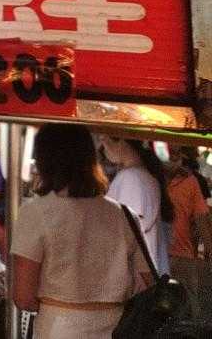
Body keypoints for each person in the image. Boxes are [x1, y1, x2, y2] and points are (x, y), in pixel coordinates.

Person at [12, 125, 152, 338]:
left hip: (59, 327)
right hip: (117, 327)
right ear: (90, 159)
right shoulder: (124, 215)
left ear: (43, 162)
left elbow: (24, 297)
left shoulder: (35, 212)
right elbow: (148, 282)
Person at [101, 136, 174, 276]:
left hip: (130, 274)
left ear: (121, 141)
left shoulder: (130, 178)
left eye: (104, 140)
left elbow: (125, 235)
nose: (103, 147)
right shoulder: (145, 176)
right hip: (140, 272)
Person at [168, 146, 212, 316]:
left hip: (164, 254)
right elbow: (201, 218)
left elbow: (201, 218)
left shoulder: (153, 177)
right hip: (183, 254)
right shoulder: (192, 181)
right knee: (189, 307)